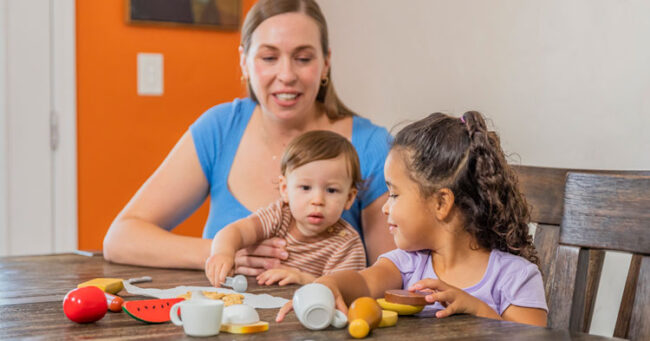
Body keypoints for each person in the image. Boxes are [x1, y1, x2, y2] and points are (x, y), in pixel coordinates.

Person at [103, 0, 394, 272]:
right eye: (269, 57)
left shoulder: (371, 146)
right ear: (244, 61)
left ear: (325, 63)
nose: (286, 74)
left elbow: (394, 271)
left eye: (303, 58)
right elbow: (121, 238)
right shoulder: (220, 128)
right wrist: (225, 253)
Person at [277, 112, 548, 327]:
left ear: (441, 203)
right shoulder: (407, 265)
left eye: (394, 194)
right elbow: (363, 282)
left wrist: (477, 309)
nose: (385, 208)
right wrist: (329, 285)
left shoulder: (515, 277)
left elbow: (532, 337)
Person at [206, 130, 367, 287]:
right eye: (305, 187)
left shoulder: (347, 244)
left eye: (331, 190)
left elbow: (345, 293)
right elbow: (237, 231)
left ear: (349, 197)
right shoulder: (280, 216)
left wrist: (303, 279)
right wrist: (223, 253)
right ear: (285, 189)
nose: (317, 200)